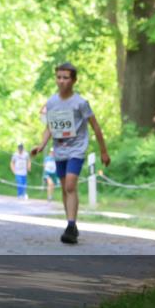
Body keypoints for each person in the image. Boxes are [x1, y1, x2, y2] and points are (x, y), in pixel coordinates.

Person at [30, 62, 110, 245]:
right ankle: (70, 224)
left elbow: (95, 127)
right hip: (60, 150)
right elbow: (49, 126)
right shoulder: (52, 102)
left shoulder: (80, 103)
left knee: (70, 186)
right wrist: (41, 145)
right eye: (59, 77)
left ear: (74, 80)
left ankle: (71, 225)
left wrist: (103, 151)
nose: (61, 81)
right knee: (65, 187)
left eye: (66, 78)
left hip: (77, 149)